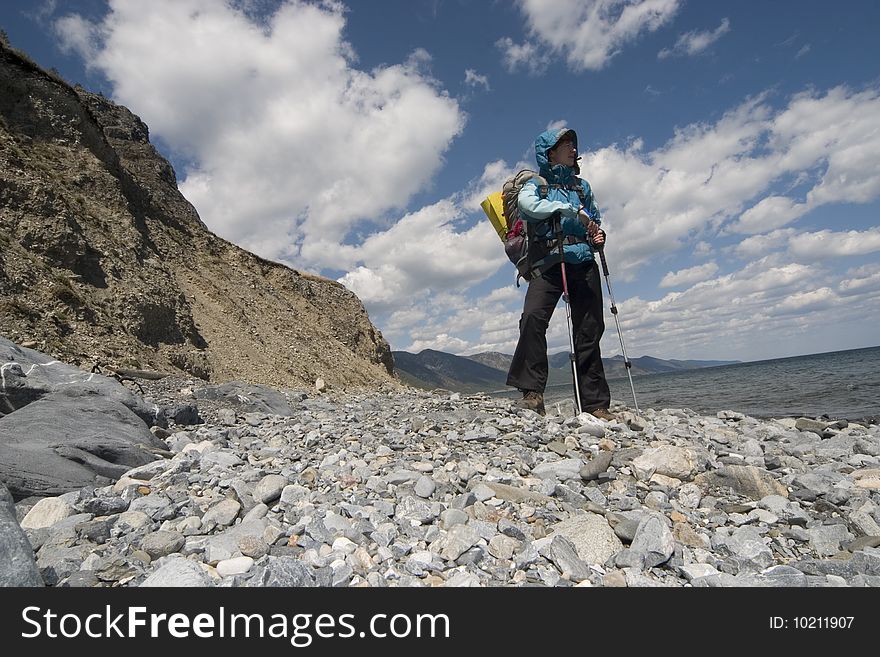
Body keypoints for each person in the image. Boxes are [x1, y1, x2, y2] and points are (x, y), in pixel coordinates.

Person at [506, 127, 613, 419]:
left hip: (582, 260)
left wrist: (597, 235)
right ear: (550, 152)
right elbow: (528, 207)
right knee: (532, 319)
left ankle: (595, 405)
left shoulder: (584, 187)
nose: (573, 149)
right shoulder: (536, 185)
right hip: (549, 264)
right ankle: (533, 393)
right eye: (566, 144)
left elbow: (595, 220)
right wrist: (566, 209)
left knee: (589, 329)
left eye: (573, 144)